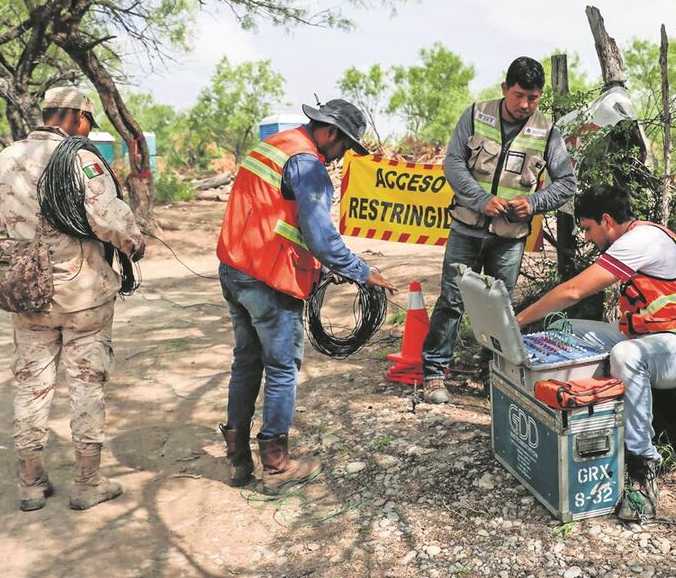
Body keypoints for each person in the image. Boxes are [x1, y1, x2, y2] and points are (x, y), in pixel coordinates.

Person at [216, 98, 397, 492]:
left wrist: (321, 267)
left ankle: (238, 462)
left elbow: (277, 216)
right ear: (329, 133)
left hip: (235, 269)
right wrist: (363, 272)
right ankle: (276, 466)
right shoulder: (308, 164)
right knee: (281, 368)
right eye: (344, 145)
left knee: (246, 362)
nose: (342, 155)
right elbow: (321, 237)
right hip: (269, 280)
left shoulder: (274, 145)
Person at [515, 183, 676, 521]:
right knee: (564, 328)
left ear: (607, 221)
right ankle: (569, 425)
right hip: (656, 340)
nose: (586, 238)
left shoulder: (641, 240)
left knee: (627, 355)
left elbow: (574, 290)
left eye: (587, 228)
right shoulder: (637, 238)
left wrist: (518, 319)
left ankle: (642, 467)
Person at [0, 87, 146, 512]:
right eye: (88, 123)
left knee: (31, 385)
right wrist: (133, 243)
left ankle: (31, 481)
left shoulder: (5, 159)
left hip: (28, 294)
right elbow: (107, 218)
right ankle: (88, 481)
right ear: (77, 117)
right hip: (82, 296)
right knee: (86, 384)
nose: (88, 131)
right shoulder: (79, 159)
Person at [421, 56, 577, 404]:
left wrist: (533, 203)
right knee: (451, 300)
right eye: (519, 95)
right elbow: (453, 163)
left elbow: (567, 182)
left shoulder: (548, 131)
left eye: (533, 98)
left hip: (509, 238)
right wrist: (480, 200)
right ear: (505, 88)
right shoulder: (476, 114)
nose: (525, 105)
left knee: (498, 308)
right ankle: (434, 373)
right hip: (467, 228)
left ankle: (491, 376)